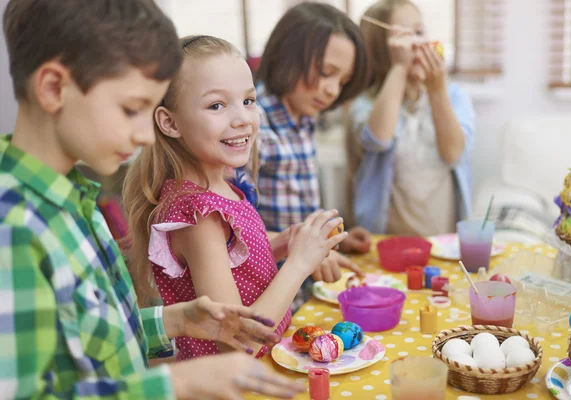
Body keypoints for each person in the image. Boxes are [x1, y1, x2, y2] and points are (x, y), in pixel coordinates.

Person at [0, 1, 303, 399]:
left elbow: (89, 336)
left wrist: (176, 321)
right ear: (54, 88)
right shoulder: (14, 227)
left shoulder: (74, 198)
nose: (147, 135)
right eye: (131, 109)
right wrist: (179, 382)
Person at [122, 35, 347, 360]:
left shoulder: (223, 186)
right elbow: (239, 339)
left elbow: (232, 266)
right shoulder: (197, 215)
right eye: (217, 105)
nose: (242, 117)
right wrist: (299, 264)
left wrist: (284, 243)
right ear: (169, 123)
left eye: (248, 100)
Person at [251, 2, 373, 310]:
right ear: (286, 56)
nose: (333, 90)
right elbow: (233, 232)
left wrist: (332, 240)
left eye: (342, 82)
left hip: (301, 292)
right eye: (326, 73)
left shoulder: (303, 116)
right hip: (266, 296)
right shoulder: (254, 126)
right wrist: (309, 249)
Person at [346, 0, 475, 236]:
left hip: (442, 240)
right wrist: (400, 69)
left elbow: (453, 154)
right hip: (383, 241)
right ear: (380, 49)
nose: (418, 43)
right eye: (405, 37)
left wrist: (437, 90)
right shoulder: (365, 102)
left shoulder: (454, 96)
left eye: (419, 32)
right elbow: (378, 139)